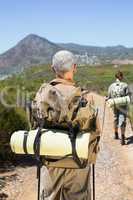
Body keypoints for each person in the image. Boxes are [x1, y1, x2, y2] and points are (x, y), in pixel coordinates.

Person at [33, 50, 101, 200]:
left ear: (53, 68)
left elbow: (35, 128)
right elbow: (95, 133)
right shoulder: (86, 97)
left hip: (50, 161)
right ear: (74, 67)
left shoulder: (41, 95)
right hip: (78, 162)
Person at [108, 71, 129, 145]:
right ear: (121, 77)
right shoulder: (125, 85)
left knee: (115, 118)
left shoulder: (111, 86)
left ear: (116, 77)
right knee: (122, 119)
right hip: (122, 105)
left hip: (115, 105)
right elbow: (127, 96)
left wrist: (108, 99)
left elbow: (109, 97)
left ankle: (116, 134)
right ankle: (122, 136)